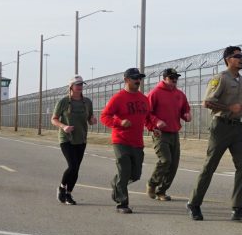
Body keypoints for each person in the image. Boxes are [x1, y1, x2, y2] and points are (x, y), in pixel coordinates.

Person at [186, 46, 242, 222]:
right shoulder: (220, 78)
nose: (241, 59)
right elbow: (207, 102)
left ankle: (238, 208)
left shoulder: (241, 80)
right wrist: (228, 108)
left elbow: (236, 104)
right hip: (221, 127)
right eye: (237, 56)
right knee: (210, 166)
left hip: (236, 128)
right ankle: (194, 204)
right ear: (228, 59)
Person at [100, 68, 150, 214]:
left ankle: (116, 183)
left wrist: (154, 128)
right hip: (120, 140)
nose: (138, 81)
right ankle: (122, 203)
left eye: (139, 78)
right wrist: (119, 123)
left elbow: (147, 118)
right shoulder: (118, 98)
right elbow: (105, 117)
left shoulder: (143, 99)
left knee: (135, 174)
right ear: (126, 80)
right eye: (135, 78)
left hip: (137, 142)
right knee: (124, 169)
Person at [145, 67, 192, 201]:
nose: (174, 80)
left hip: (174, 132)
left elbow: (185, 109)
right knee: (165, 160)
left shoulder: (179, 94)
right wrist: (156, 121)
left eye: (176, 78)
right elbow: (147, 113)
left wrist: (187, 115)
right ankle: (152, 183)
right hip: (160, 133)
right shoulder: (155, 93)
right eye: (172, 78)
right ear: (164, 79)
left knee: (174, 164)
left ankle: (162, 191)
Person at [51, 75, 97, 205]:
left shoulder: (87, 102)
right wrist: (64, 126)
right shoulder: (63, 101)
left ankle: (68, 193)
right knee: (73, 166)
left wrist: (92, 120)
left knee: (76, 169)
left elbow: (90, 118)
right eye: (78, 84)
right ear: (71, 87)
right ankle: (61, 188)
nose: (80, 87)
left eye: (82, 84)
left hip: (81, 138)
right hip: (66, 139)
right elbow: (54, 119)